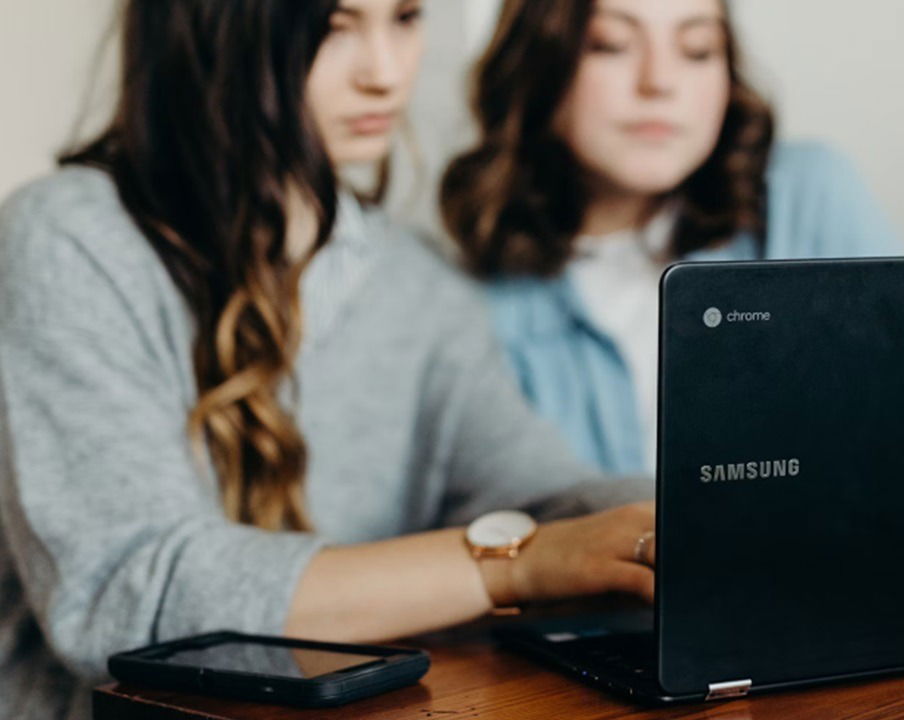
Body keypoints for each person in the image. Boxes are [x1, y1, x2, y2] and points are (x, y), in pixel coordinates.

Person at [0, 2, 655, 718]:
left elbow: (543, 494)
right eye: (335, 27)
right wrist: (515, 565)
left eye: (405, 17)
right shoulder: (68, 240)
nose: (384, 72)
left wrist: (692, 515)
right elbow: (128, 595)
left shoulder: (418, 282)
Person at [441, 0, 900, 476]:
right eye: (610, 45)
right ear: (534, 61)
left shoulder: (806, 196)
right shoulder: (464, 298)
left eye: (697, 50)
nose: (659, 82)